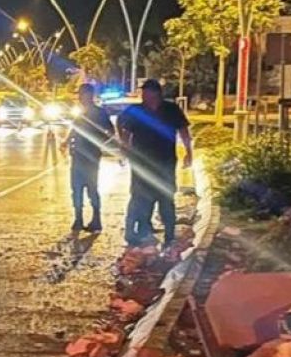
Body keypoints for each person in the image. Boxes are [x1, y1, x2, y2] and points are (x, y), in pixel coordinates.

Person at [118, 79, 193, 246]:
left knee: (166, 197)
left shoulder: (171, 109)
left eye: (147, 93)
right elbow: (123, 127)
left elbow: (183, 130)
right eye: (142, 93)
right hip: (141, 163)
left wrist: (189, 152)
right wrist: (124, 147)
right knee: (140, 197)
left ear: (157, 93)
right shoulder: (136, 111)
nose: (144, 96)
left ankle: (169, 235)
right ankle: (138, 232)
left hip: (165, 162)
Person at [62, 84, 115, 234]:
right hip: (77, 154)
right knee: (76, 188)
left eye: (83, 94)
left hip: (90, 156)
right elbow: (75, 129)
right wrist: (66, 141)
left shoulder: (99, 113)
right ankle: (78, 219)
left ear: (90, 95)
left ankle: (96, 219)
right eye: (79, 94)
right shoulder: (80, 112)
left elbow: (110, 132)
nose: (80, 97)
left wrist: (98, 142)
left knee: (92, 188)